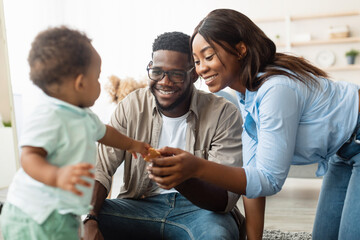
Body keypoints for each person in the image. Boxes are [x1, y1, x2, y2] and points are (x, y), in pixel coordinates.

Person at [148, 8, 360, 240]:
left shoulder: (275, 89)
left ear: (240, 50)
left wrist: (196, 167)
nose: (201, 68)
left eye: (209, 57)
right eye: (197, 61)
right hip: (342, 153)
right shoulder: (247, 97)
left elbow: (269, 180)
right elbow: (252, 178)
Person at [83, 31, 245, 240]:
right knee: (68, 221)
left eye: (176, 74)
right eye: (157, 71)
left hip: (202, 213)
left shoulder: (223, 113)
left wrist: (181, 177)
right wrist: (89, 218)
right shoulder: (131, 106)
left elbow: (224, 199)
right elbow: (100, 169)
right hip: (138, 208)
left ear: (194, 74)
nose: (164, 82)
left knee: (217, 236)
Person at [0, 26, 150, 240]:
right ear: (80, 83)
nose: (100, 84)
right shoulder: (47, 114)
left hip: (64, 213)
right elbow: (29, 156)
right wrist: (57, 175)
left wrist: (132, 144)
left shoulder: (84, 116)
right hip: (34, 215)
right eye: (97, 78)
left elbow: (106, 133)